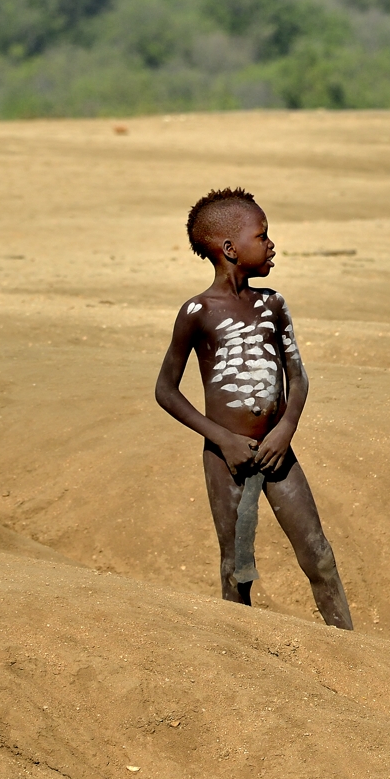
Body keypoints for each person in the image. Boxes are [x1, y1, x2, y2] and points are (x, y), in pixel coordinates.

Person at [153, 187, 353, 629]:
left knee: (318, 554)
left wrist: (286, 431)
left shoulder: (273, 304)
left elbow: (297, 375)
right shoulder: (197, 312)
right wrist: (223, 439)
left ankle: (354, 653)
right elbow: (165, 390)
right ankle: (242, 663)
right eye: (261, 235)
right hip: (227, 459)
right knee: (237, 566)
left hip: (277, 452)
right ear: (229, 248)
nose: (270, 244)